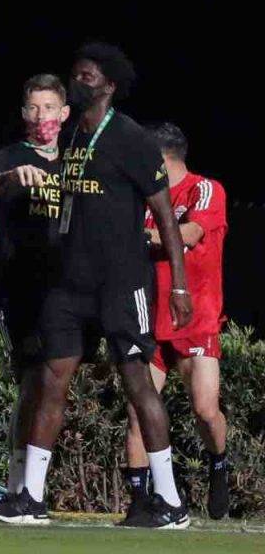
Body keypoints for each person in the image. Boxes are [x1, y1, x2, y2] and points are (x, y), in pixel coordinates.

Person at [0, 43, 194, 530]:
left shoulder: (132, 139)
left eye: (87, 77)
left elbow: (164, 216)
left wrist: (179, 287)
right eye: (75, 75)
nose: (77, 82)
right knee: (51, 378)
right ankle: (30, 498)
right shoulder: (76, 135)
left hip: (121, 283)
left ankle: (169, 501)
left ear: (109, 85)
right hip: (70, 285)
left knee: (136, 381)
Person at [123, 123, 229, 521]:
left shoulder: (205, 190)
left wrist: (137, 235)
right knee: (139, 410)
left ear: (163, 159)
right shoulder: (144, 197)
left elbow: (189, 232)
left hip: (194, 318)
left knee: (204, 410)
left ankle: (219, 463)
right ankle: (141, 500)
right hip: (150, 318)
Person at [0, 74, 71, 503]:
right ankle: (22, 488)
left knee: (53, 380)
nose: (41, 117)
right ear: (22, 114)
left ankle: (28, 489)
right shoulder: (12, 155)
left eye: (49, 108)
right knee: (36, 381)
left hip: (72, 286)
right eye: (33, 108)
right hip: (24, 287)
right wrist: (10, 178)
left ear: (65, 113)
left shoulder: (77, 159)